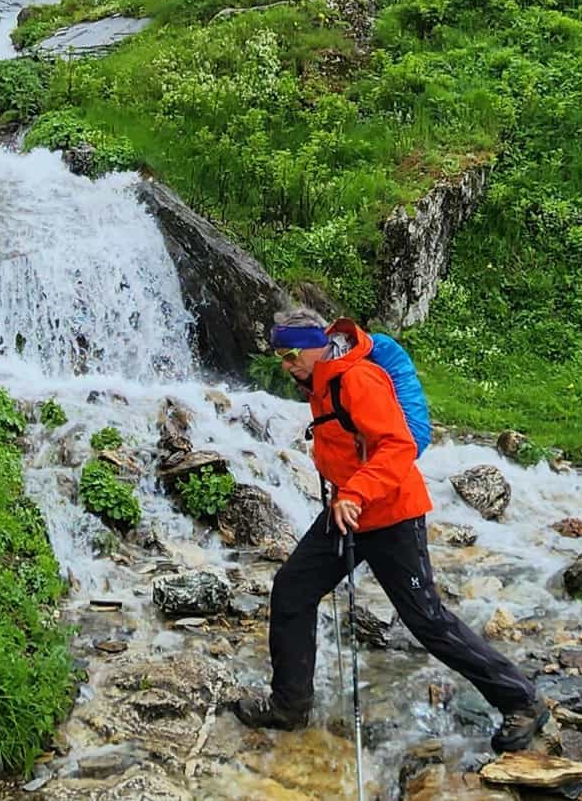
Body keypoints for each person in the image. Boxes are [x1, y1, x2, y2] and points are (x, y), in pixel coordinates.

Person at [232, 308, 544, 752]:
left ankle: (522, 700)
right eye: (281, 356)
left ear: (315, 346)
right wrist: (348, 494)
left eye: (290, 355)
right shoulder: (320, 381)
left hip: (391, 513)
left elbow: (398, 445)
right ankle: (289, 705)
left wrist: (356, 493)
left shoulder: (358, 379)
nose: (285, 365)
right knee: (292, 589)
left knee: (427, 620)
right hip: (348, 510)